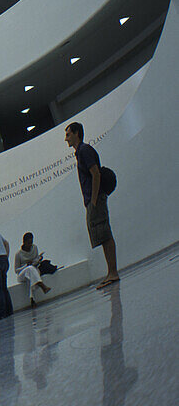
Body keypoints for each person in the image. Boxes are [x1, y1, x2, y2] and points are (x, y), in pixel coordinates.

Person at [66, 122, 119, 288]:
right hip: (92, 199)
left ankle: (113, 272)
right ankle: (111, 272)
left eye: (68, 134)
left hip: (95, 199)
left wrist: (94, 200)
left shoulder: (84, 150)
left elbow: (95, 173)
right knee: (102, 234)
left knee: (104, 233)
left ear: (76, 133)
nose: (65, 138)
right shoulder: (81, 152)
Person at [14, 232, 52, 308]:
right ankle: (42, 286)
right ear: (24, 242)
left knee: (31, 275)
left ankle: (32, 299)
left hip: (32, 271)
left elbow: (36, 261)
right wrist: (26, 266)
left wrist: (38, 259)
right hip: (22, 274)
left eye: (31, 243)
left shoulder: (34, 248)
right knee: (29, 269)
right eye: (28, 243)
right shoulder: (18, 254)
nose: (30, 245)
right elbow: (16, 270)